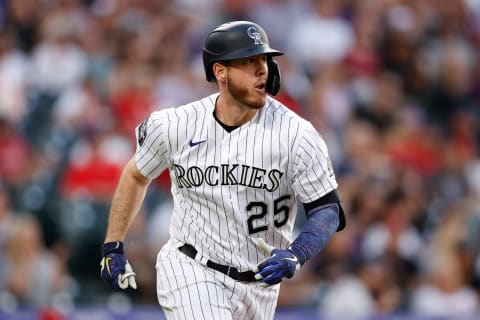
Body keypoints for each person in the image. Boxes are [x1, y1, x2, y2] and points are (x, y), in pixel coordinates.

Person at [100, 20, 346, 320]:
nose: (262, 70)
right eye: (248, 61)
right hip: (192, 266)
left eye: (264, 60)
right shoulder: (177, 125)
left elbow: (328, 209)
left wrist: (298, 252)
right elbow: (137, 174)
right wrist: (113, 244)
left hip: (260, 285)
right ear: (221, 71)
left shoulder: (297, 134)